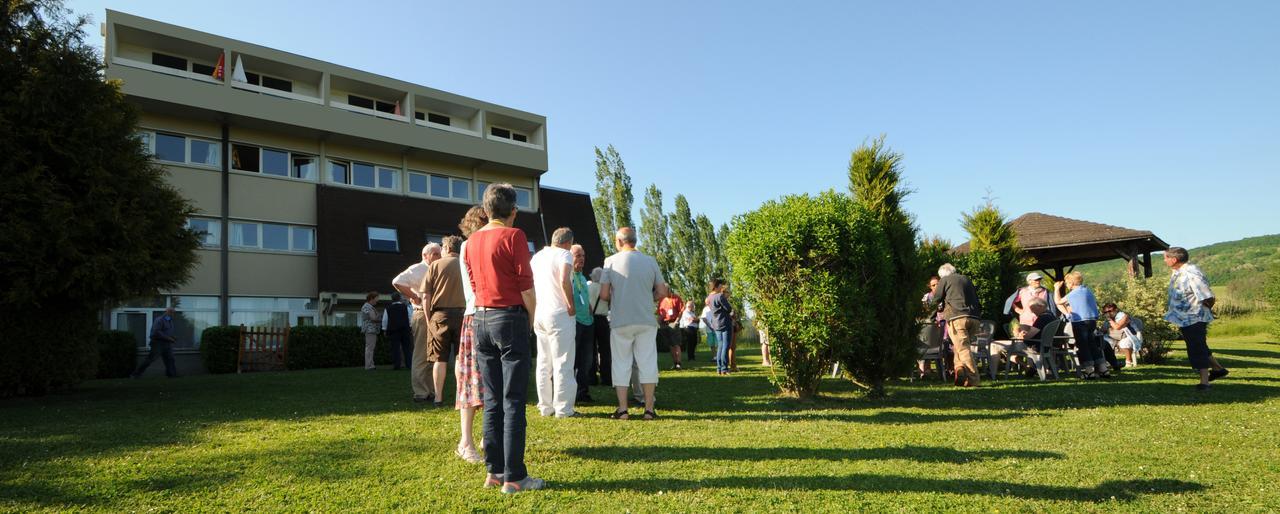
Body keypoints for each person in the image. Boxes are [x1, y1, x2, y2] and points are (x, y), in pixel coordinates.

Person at [464, 183, 543, 493]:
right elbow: (526, 285)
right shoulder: (515, 236)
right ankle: (515, 476)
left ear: (485, 211)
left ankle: (494, 471)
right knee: (513, 401)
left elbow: (472, 282)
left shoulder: (470, 242)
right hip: (509, 317)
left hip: (480, 319)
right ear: (514, 211)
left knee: (493, 401)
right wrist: (533, 320)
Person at [599, 227, 668, 421]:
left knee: (621, 364)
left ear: (619, 241)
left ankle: (623, 410)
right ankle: (648, 409)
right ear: (634, 241)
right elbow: (662, 292)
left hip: (621, 320)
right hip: (645, 318)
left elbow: (604, 295)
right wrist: (648, 298)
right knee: (647, 363)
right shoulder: (649, 261)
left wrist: (619, 298)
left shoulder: (610, 262)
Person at [1163, 246, 1229, 391]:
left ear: (1174, 259)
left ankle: (1204, 382)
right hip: (1184, 317)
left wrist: (1203, 310)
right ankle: (1218, 369)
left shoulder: (1191, 273)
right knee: (1199, 345)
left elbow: (1208, 296)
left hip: (1193, 316)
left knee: (1196, 348)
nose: (1164, 260)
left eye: (1166, 258)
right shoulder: (1178, 272)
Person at [531, 227, 578, 418]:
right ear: (569, 242)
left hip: (540, 312)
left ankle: (545, 405)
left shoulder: (536, 257)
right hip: (559, 312)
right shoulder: (564, 254)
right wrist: (570, 304)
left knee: (543, 361)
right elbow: (564, 279)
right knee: (563, 361)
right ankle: (564, 408)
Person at [454, 206, 487, 464]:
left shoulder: (470, 246)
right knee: (471, 381)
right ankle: (466, 442)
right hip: (476, 314)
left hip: (482, 314)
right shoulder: (470, 247)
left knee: (488, 380)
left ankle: (486, 435)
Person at [419, 236, 467, 408]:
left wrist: (428, 317)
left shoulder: (434, 265)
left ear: (446, 247)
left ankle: (438, 398)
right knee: (460, 358)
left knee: (439, 359)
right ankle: (460, 396)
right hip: (463, 315)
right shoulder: (466, 264)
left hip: (439, 315)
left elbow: (425, 296)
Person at [392, 243, 443, 402]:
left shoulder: (437, 268)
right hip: (422, 314)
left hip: (436, 314)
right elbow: (397, 281)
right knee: (421, 354)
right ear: (424, 255)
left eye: (439, 253)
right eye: (434, 253)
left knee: (432, 355)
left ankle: (430, 390)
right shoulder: (417, 269)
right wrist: (414, 296)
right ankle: (421, 392)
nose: (438, 256)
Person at [930, 264, 981, 387]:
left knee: (963, 349)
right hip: (974, 318)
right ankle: (959, 370)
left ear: (942, 275)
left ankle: (973, 379)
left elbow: (936, 299)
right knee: (959, 347)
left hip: (957, 317)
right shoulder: (966, 279)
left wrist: (932, 317)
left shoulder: (945, 280)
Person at [1054, 271, 1110, 379]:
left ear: (1072, 282)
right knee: (1092, 344)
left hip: (1080, 322)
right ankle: (1103, 369)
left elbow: (1059, 301)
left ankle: (1089, 371)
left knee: (1083, 345)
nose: (1066, 284)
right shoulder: (1086, 290)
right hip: (1091, 321)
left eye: (1067, 282)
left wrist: (1056, 288)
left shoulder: (1074, 293)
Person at [570, 245, 595, 403]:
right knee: (573, 360)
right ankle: (572, 392)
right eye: (578, 255)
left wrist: (590, 307)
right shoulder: (569, 277)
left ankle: (583, 392)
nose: (581, 259)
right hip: (575, 322)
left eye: (583, 255)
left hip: (588, 322)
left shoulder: (583, 277)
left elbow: (584, 297)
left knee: (587, 360)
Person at [132, 306, 179, 378]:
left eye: (173, 313)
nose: (173, 314)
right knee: (150, 359)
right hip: (158, 343)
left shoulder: (170, 321)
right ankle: (136, 374)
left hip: (167, 343)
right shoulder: (159, 320)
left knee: (170, 359)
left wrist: (172, 337)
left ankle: (172, 375)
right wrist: (169, 338)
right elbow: (157, 332)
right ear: (167, 312)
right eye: (172, 312)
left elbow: (166, 332)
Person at [588, 267, 611, 386]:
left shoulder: (588, 287)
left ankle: (591, 378)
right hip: (602, 319)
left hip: (591, 319)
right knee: (605, 350)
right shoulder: (605, 289)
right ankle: (606, 377)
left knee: (591, 350)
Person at [707, 279, 734, 375]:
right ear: (717, 286)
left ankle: (719, 368)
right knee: (726, 346)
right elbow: (728, 308)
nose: (721, 287)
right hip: (724, 322)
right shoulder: (719, 296)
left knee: (720, 346)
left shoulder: (709, 297)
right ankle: (724, 368)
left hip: (716, 323)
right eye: (720, 286)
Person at [1102, 303, 1141, 368]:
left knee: (1124, 343)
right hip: (1115, 337)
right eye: (1105, 312)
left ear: (1116, 310)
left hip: (1131, 335)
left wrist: (1109, 319)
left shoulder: (1124, 316)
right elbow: (1102, 330)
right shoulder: (1108, 320)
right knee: (1103, 342)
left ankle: (1128, 362)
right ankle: (1110, 362)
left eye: (1110, 311)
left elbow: (1117, 327)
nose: (1108, 313)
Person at [383, 293, 413, 370]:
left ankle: (397, 365)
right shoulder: (405, 307)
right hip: (405, 330)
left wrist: (385, 329)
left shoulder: (388, 308)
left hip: (393, 331)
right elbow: (410, 318)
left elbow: (385, 320)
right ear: (399, 298)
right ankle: (409, 365)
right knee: (407, 348)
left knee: (395, 348)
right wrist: (410, 327)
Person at [657, 290, 685, 370]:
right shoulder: (662, 300)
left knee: (676, 344)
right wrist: (657, 323)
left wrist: (676, 321)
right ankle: (675, 363)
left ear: (668, 290)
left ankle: (679, 363)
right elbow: (660, 313)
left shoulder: (676, 298)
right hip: (664, 324)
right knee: (670, 345)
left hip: (673, 322)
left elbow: (681, 311)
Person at [359, 291, 382, 370]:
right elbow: (373, 318)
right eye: (376, 298)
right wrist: (381, 319)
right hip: (370, 329)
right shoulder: (367, 307)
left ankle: (371, 364)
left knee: (370, 347)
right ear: (371, 298)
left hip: (371, 329)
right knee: (370, 348)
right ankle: (369, 366)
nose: (377, 300)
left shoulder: (369, 307)